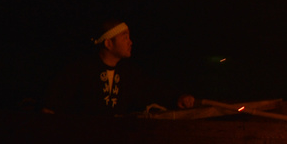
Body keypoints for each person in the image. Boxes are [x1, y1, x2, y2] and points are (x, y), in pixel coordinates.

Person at [43, 20, 196, 116]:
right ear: (109, 43)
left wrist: (178, 97)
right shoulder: (79, 71)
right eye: (125, 38)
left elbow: (152, 89)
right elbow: (53, 105)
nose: (130, 42)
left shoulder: (129, 73)